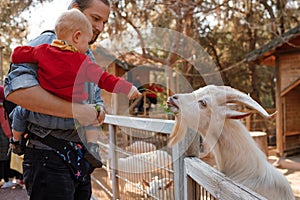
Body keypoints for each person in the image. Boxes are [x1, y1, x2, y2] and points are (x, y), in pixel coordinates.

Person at [4, 0, 113, 199]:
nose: (100, 27)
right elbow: (16, 90)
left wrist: (99, 110)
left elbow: (96, 97)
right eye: (96, 18)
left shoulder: (88, 57)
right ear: (75, 12)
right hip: (48, 155)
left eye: (104, 22)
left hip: (80, 157)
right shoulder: (45, 44)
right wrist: (77, 111)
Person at [10, 8, 141, 165]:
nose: (87, 47)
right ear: (77, 37)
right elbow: (105, 79)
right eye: (87, 42)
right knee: (92, 116)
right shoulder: (83, 62)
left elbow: (17, 54)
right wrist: (128, 89)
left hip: (43, 109)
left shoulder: (42, 50)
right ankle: (92, 148)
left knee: (20, 112)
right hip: (76, 110)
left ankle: (16, 141)